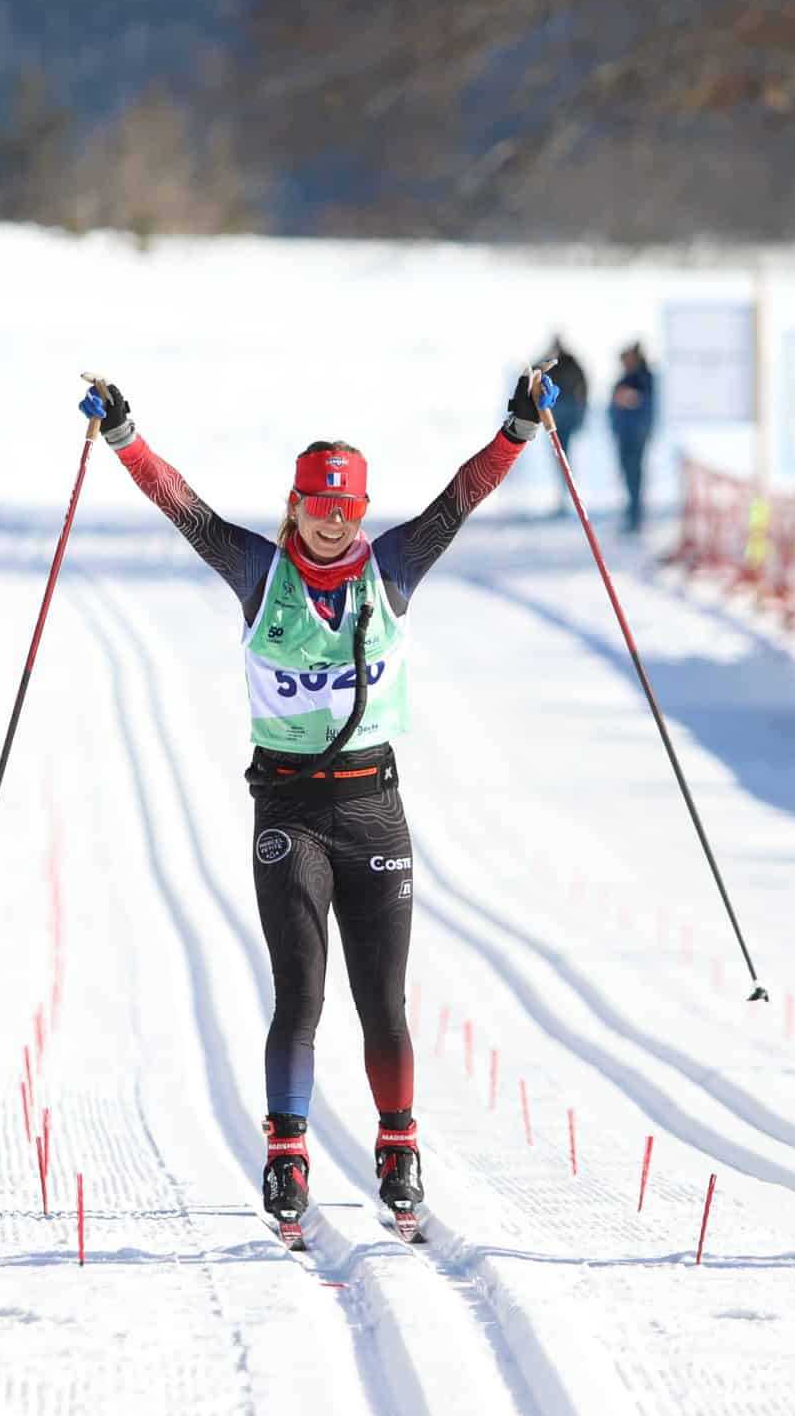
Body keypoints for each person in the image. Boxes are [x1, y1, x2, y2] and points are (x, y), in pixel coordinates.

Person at [77, 368, 551, 1243]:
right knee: (299, 993)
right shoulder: (260, 573)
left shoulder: (391, 568)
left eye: (348, 507)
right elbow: (186, 510)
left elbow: (459, 500)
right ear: (294, 506)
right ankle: (288, 1150)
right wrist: (122, 435)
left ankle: (398, 1144)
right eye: (319, 504)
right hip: (290, 813)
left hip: (374, 809)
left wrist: (517, 428)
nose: (335, 520)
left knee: (386, 1001)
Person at [607, 341, 656, 531]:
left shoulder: (643, 377)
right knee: (628, 475)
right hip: (625, 432)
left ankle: (636, 517)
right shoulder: (628, 377)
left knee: (635, 475)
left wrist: (628, 398)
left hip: (635, 433)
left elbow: (642, 401)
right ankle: (632, 513)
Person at [542, 338, 589, 515]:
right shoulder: (552, 364)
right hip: (555, 416)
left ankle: (567, 498)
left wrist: (581, 413)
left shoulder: (571, 363)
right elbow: (533, 372)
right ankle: (564, 497)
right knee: (560, 457)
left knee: (562, 456)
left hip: (564, 416)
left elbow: (583, 388)